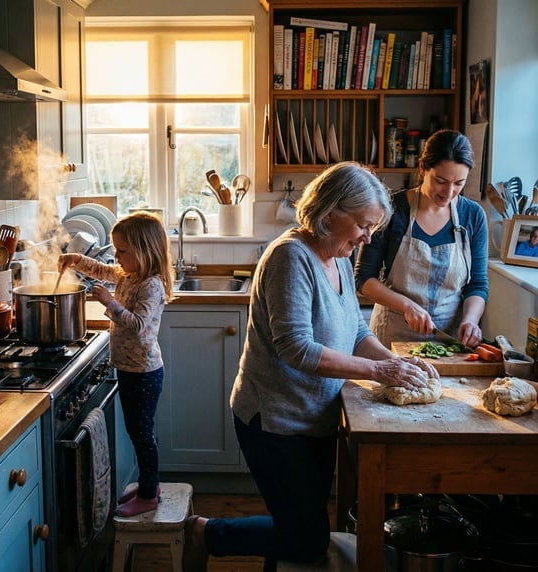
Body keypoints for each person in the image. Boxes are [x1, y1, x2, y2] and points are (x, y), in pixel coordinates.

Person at [182, 162, 440, 570]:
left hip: (315, 415)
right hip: (274, 420)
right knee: (305, 538)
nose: (367, 238)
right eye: (363, 225)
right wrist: (377, 372)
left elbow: (356, 329)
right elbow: (296, 349)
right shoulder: (291, 257)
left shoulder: (337, 255)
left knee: (297, 524)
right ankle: (205, 532)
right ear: (331, 212)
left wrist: (395, 362)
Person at [58, 212, 174, 517]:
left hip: (144, 373)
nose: (117, 257)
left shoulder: (150, 285)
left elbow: (137, 325)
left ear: (144, 250)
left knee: (142, 434)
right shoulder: (129, 275)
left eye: (122, 251)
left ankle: (149, 495)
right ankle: (151, 484)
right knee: (138, 431)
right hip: (129, 369)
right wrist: (74, 259)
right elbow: (100, 269)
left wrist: (110, 303)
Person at [354, 129, 489, 349]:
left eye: (458, 184)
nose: (448, 192)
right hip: (392, 340)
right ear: (422, 168)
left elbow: (478, 284)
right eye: (441, 181)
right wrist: (407, 306)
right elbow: (363, 279)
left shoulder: (472, 216)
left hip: (448, 343)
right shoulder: (392, 210)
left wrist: (471, 321)